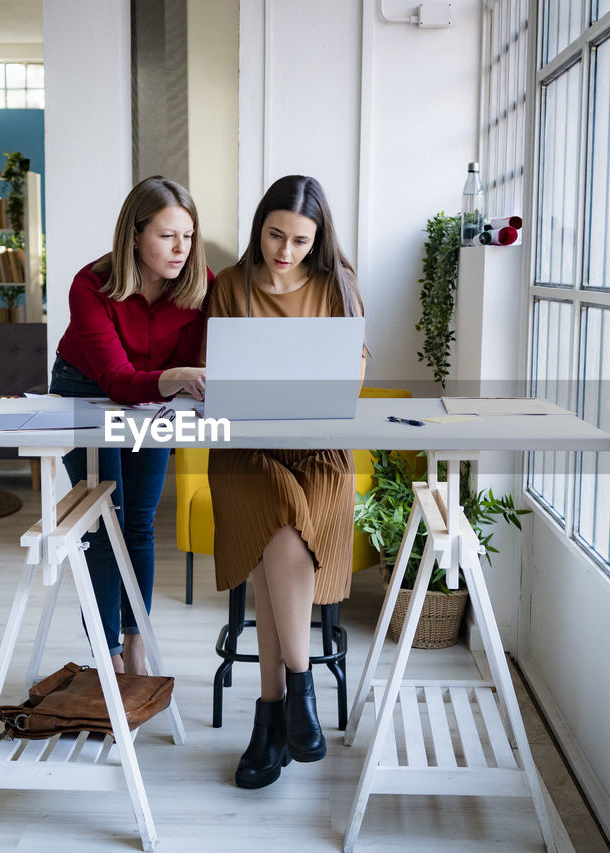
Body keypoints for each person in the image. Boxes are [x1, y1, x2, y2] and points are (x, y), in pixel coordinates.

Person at [205, 175, 365, 789]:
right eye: (276, 235)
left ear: (319, 239)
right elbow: (220, 377)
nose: (286, 251)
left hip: (321, 450)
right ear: (259, 227)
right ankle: (302, 689)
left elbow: (350, 379)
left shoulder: (338, 286)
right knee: (277, 512)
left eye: (301, 240)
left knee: (286, 529)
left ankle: (270, 716)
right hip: (246, 450)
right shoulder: (232, 285)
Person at [50, 175, 210, 675]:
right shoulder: (89, 284)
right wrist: (178, 377)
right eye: (167, 235)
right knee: (103, 519)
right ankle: (109, 654)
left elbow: (198, 365)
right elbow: (119, 379)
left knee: (138, 522)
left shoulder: (200, 285)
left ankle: (136, 639)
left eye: (188, 234)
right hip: (86, 389)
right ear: (135, 235)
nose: (181, 248)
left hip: (155, 401)